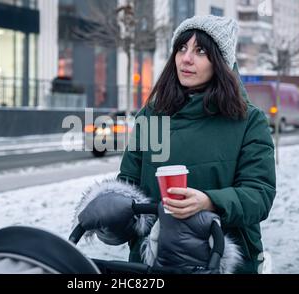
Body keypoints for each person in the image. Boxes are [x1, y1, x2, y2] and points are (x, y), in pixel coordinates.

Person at [116, 15, 276, 274]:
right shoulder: (151, 117)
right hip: (153, 263)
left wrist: (210, 202)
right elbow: (129, 184)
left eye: (200, 50)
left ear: (221, 62)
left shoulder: (248, 121)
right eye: (181, 48)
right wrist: (110, 210)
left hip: (224, 260)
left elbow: (260, 194)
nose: (186, 58)